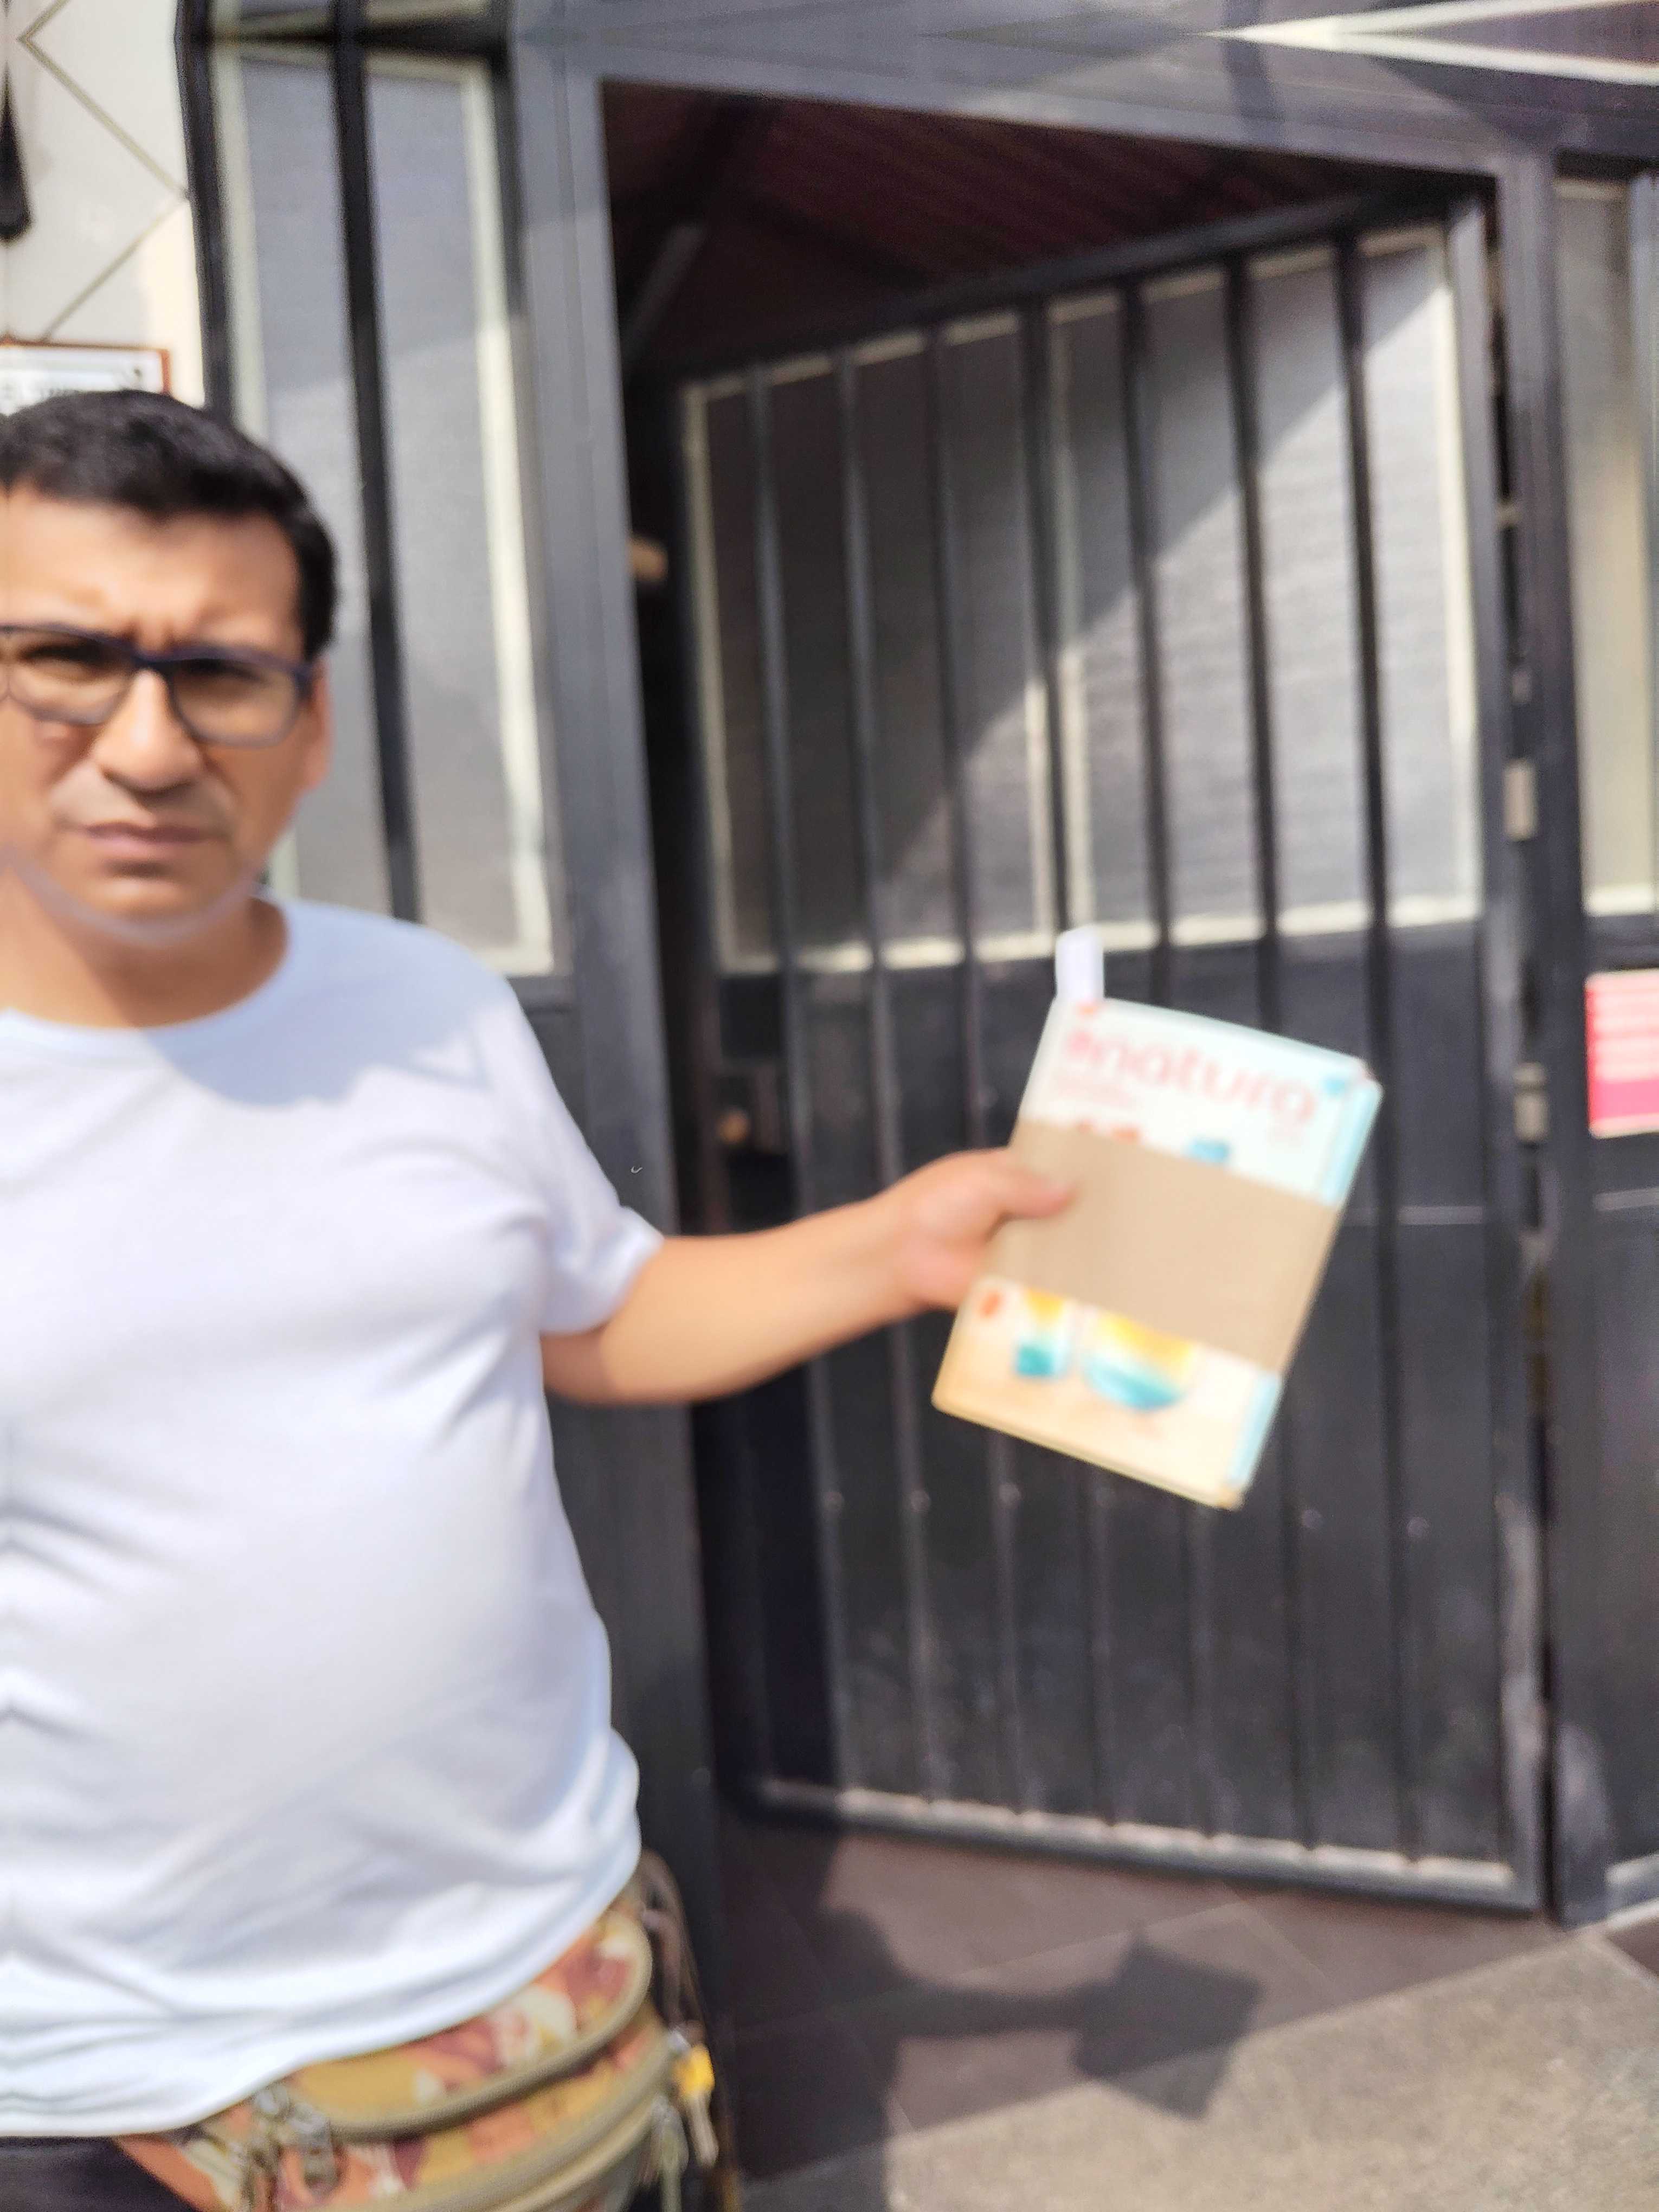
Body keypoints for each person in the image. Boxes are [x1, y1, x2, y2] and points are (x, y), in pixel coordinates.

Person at [0, 392, 1070, 2207]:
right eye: (66, 663)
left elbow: (595, 1310)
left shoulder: (428, 1006)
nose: (151, 744)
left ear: (310, 724)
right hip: (119, 2086)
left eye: (221, 673)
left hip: (556, 1976)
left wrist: (899, 1247)